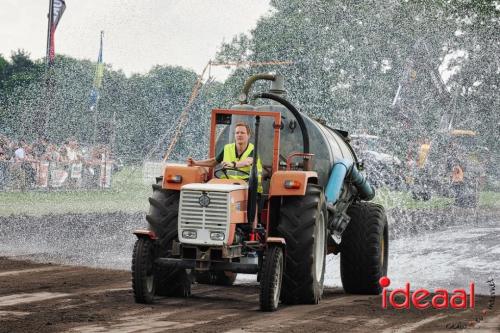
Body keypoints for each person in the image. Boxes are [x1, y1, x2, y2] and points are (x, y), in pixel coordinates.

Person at [187, 122, 263, 193]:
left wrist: (233, 164)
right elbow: (214, 161)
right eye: (237, 133)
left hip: (250, 188)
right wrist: (196, 163)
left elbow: (247, 161)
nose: (239, 135)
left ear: (248, 135)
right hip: (229, 186)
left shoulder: (253, 149)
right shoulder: (227, 148)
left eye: (242, 133)